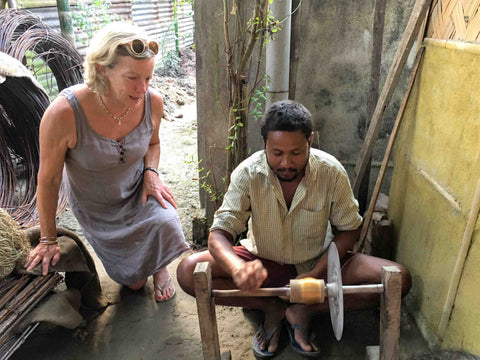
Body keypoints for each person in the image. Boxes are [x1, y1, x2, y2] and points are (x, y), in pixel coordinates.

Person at [176, 100, 411, 358]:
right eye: (276, 153)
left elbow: (349, 231)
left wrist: (316, 274)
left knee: (396, 279)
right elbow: (219, 234)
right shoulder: (248, 173)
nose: (286, 162)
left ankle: (304, 310)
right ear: (264, 142)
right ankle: (269, 307)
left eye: (296, 153)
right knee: (189, 272)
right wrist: (238, 268)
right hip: (262, 263)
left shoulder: (330, 172)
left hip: (318, 262)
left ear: (310, 140)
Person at [25, 22, 190, 303]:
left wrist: (151, 172)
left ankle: (159, 266)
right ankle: (141, 270)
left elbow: (153, 143)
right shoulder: (63, 114)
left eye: (148, 78)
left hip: (139, 189)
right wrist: (47, 240)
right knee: (134, 284)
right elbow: (49, 180)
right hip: (97, 207)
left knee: (167, 222)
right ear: (102, 69)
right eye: (132, 78)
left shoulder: (154, 102)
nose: (142, 88)